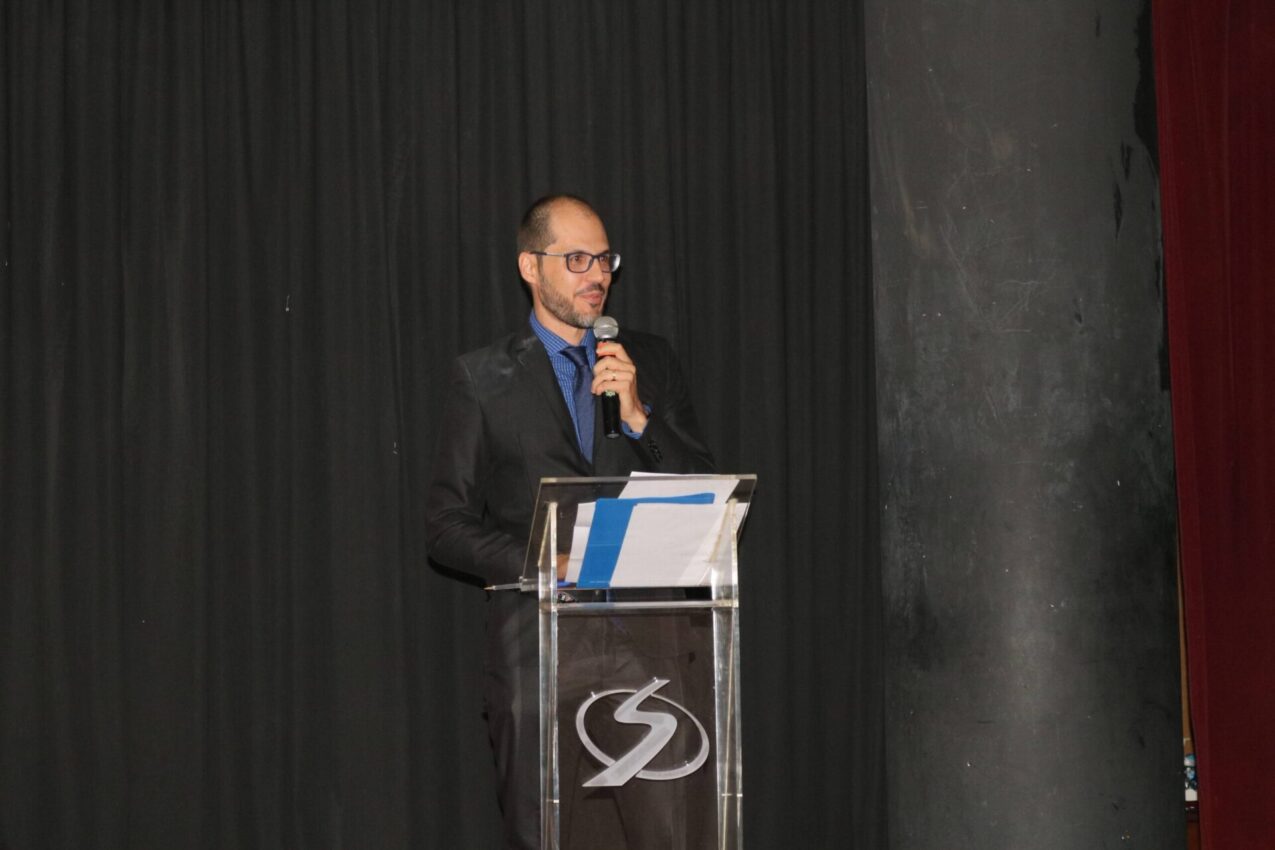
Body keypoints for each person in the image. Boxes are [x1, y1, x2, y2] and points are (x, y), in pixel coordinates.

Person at [424, 194, 716, 849]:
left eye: (605, 260)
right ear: (531, 266)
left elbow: (703, 490)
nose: (598, 275)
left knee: (669, 835)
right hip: (539, 648)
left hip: (650, 647)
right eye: (577, 259)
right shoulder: (483, 378)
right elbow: (445, 525)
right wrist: (544, 564)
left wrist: (637, 417)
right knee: (548, 835)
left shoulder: (648, 361)